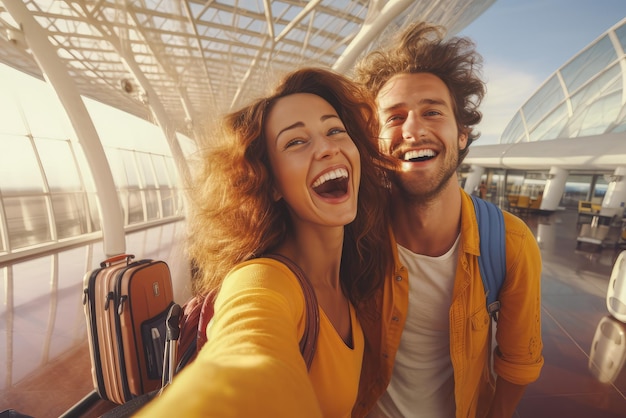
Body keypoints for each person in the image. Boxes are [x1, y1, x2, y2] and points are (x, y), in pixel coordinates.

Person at [134, 67, 394, 418]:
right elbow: (242, 354)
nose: (328, 148)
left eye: (335, 130)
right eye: (296, 141)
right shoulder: (264, 281)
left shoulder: (354, 277)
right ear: (270, 184)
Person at [351, 22, 544, 418]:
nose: (413, 130)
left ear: (462, 134)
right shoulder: (352, 233)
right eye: (394, 117)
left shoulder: (508, 243)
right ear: (375, 143)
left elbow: (519, 363)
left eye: (432, 112)